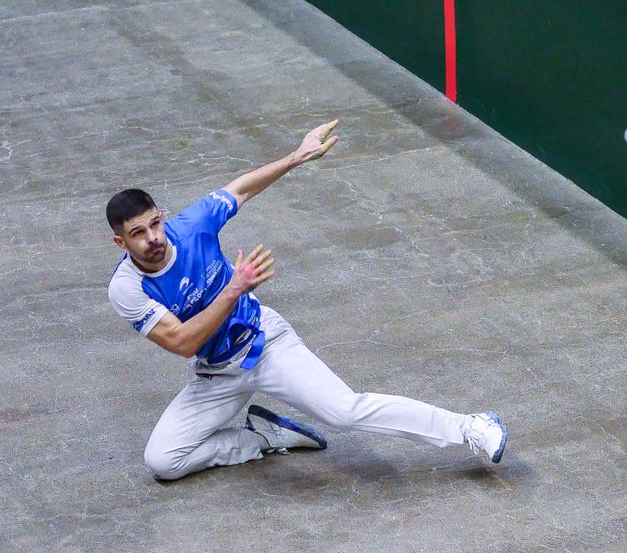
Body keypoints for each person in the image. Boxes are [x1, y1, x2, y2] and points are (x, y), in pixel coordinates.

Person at [106, 119, 507, 483]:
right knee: (163, 461)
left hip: (265, 344)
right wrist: (234, 287)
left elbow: (241, 188)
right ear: (121, 242)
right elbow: (182, 343)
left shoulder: (192, 227)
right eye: (139, 233)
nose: (154, 237)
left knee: (346, 411)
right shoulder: (127, 288)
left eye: (156, 223)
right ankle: (263, 436)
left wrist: (297, 156)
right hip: (216, 372)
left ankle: (471, 427)